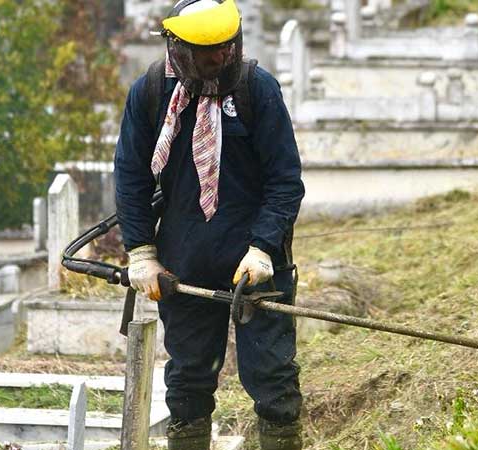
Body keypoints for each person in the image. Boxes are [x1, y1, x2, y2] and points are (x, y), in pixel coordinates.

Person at [113, 0, 305, 448]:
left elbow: (285, 181)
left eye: (226, 46)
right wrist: (141, 252)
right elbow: (131, 177)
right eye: (206, 51)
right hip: (185, 261)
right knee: (188, 383)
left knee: (274, 380)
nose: (220, 57)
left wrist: (263, 247)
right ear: (178, 49)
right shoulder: (151, 93)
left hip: (257, 263)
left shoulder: (258, 90)